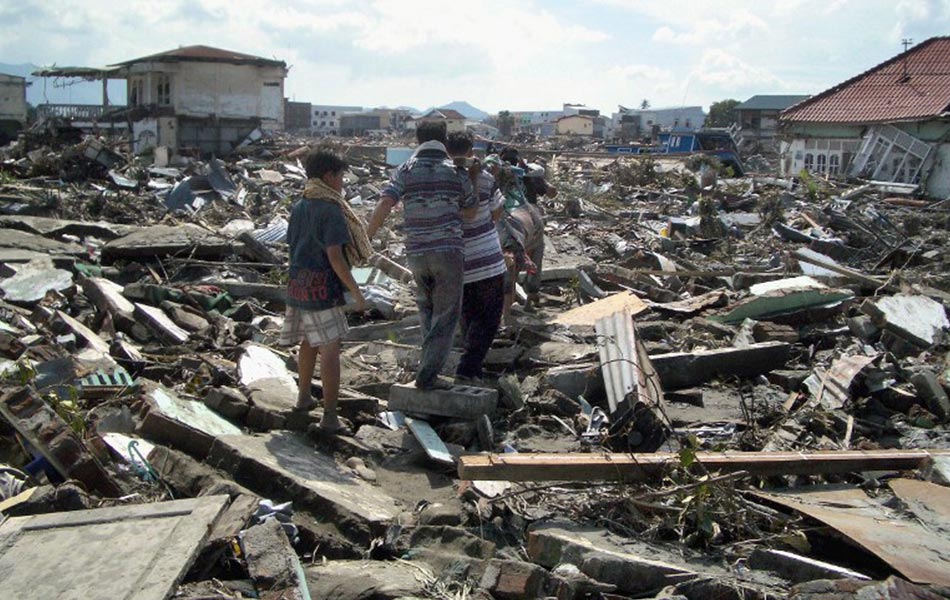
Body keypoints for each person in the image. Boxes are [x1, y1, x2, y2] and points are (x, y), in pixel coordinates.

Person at [366, 121, 478, 389]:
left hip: (416, 252)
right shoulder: (456, 171)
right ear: (444, 140)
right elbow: (471, 210)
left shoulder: (406, 169)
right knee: (446, 314)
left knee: (427, 310)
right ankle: (427, 376)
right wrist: (448, 208)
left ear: (418, 139)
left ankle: (428, 370)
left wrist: (365, 237)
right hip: (448, 252)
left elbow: (385, 202)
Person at [279, 150, 369, 432]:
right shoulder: (330, 209)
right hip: (322, 289)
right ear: (329, 176)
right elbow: (335, 256)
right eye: (341, 176)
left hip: (298, 284)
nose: (342, 182)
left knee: (309, 341)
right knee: (330, 349)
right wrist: (357, 293)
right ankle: (330, 416)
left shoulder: (300, 206)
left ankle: (303, 398)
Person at [445, 132, 506, 384]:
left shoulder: (442, 179)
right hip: (488, 261)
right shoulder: (485, 178)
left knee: (468, 317)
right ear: (471, 150)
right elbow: (496, 213)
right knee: (489, 318)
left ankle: (473, 368)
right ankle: (467, 369)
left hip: (457, 261)